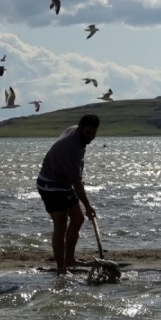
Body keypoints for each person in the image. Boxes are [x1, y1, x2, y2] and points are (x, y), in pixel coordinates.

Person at [37, 114, 99, 274]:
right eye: (87, 133)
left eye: (93, 133)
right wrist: (88, 206)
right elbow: (76, 182)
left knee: (77, 219)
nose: (90, 137)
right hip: (49, 184)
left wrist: (74, 178)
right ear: (79, 129)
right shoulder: (72, 147)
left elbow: (75, 176)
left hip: (64, 182)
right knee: (61, 223)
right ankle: (61, 268)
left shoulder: (75, 133)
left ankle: (70, 259)